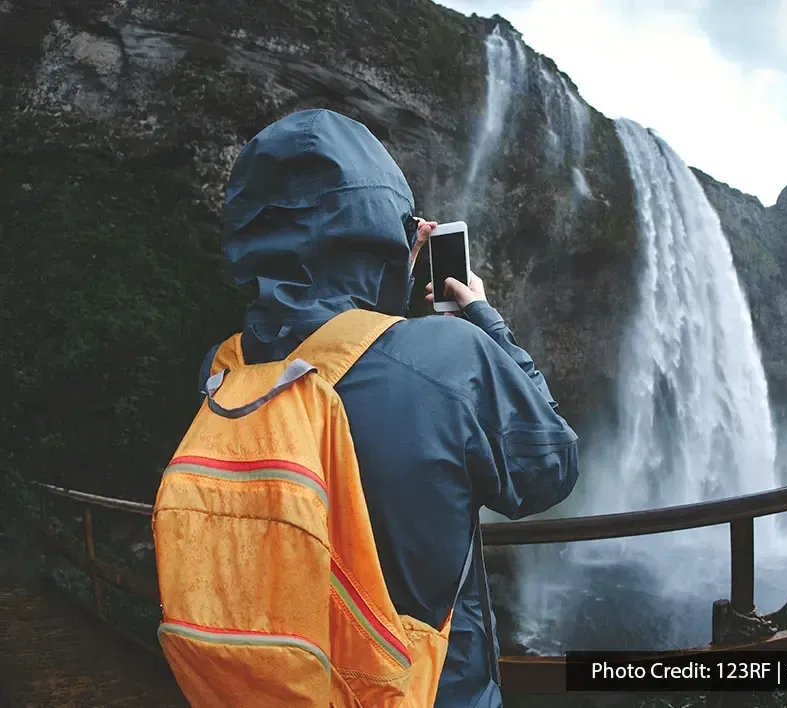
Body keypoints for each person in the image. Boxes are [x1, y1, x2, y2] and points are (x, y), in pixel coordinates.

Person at [199, 109, 580, 707]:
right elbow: (550, 467)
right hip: (426, 692)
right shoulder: (451, 356)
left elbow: (333, 348)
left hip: (274, 686)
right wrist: (483, 321)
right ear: (383, 232)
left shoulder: (223, 372)